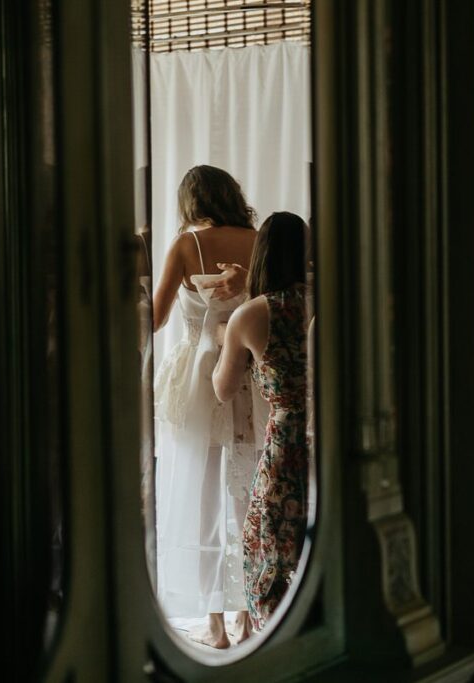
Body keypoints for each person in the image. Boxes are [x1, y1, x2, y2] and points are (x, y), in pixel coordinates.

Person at [152, 165, 265, 648]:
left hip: (200, 380)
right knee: (246, 496)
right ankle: (247, 619)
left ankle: (215, 624)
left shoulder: (185, 245)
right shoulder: (260, 240)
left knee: (203, 499)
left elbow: (155, 319)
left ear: (190, 202)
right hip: (251, 377)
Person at [212, 211, 310, 631]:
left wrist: (223, 339)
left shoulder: (251, 315)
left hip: (286, 442)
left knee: (268, 549)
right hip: (330, 434)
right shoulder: (327, 300)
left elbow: (223, 388)